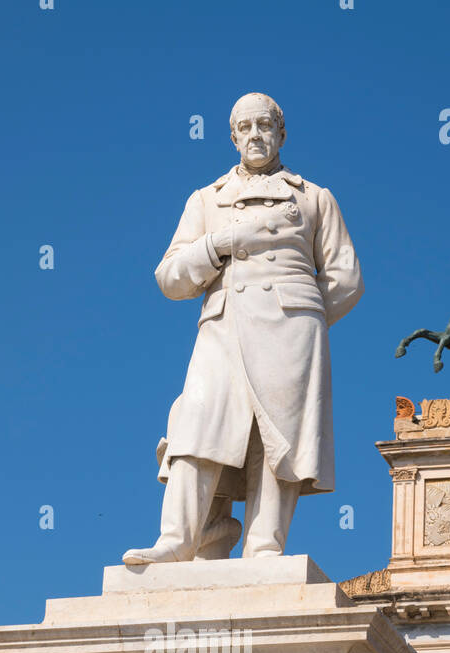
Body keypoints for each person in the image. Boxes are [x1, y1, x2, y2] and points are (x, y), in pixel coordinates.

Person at [123, 92, 364, 565]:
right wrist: (220, 243)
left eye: (265, 125)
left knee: (279, 438)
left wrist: (304, 317)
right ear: (232, 136)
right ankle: (177, 541)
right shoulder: (206, 200)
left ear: (281, 133)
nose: (255, 135)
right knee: (196, 422)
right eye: (245, 127)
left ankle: (263, 547)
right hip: (224, 325)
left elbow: (345, 278)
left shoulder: (315, 197)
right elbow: (169, 278)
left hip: (292, 332)